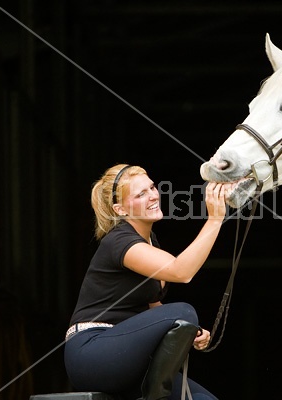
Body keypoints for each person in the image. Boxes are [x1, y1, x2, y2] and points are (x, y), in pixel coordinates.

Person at [64, 164, 227, 400]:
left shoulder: (150, 241)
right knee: (184, 311)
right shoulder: (119, 241)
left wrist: (192, 331)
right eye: (140, 194)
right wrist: (214, 220)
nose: (152, 195)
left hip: (128, 358)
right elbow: (182, 272)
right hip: (94, 352)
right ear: (120, 209)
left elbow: (152, 309)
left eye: (151, 187)